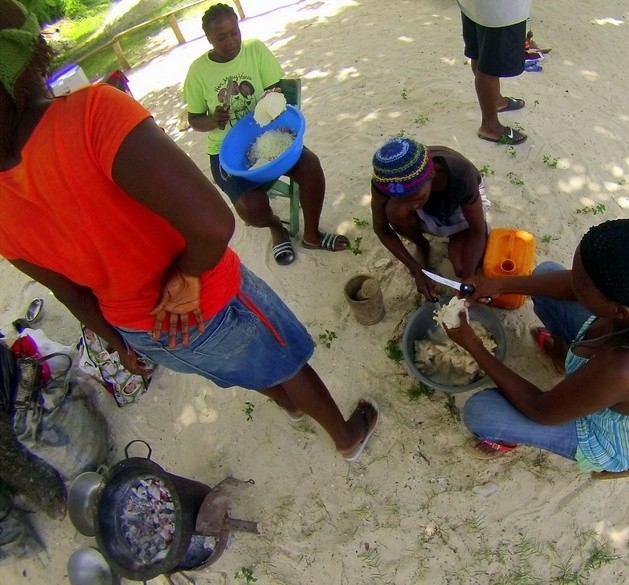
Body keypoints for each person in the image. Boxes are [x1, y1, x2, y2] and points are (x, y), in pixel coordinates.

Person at [0, 0, 377, 462]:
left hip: (139, 329)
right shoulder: (89, 113)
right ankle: (346, 437)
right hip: (206, 300)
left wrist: (119, 343)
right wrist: (185, 278)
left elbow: (70, 292)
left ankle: (288, 406)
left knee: (239, 365)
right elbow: (213, 224)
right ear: (27, 54)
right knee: (286, 357)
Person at [444, 217, 629, 472]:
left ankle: (506, 439)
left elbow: (540, 409)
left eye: (581, 288)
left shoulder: (623, 370)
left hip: (610, 437)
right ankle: (562, 356)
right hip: (618, 371)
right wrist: (501, 284)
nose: (573, 285)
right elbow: (573, 283)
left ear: (618, 311)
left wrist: (472, 344)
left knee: (481, 412)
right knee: (546, 273)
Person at [183, 3, 349, 266]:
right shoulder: (197, 72)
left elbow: (275, 91)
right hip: (226, 150)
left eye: (234, 32)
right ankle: (276, 228)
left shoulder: (255, 50)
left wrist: (272, 99)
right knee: (251, 209)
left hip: (268, 135)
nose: (230, 41)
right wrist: (212, 119)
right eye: (221, 38)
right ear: (208, 39)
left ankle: (312, 235)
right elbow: (194, 120)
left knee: (310, 166)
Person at [370, 137, 489, 301]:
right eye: (402, 199)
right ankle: (422, 245)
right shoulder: (386, 182)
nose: (412, 207)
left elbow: (478, 229)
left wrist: (467, 281)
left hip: (459, 207)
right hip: (430, 206)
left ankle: (458, 234)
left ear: (431, 175)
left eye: (416, 198)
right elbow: (381, 228)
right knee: (395, 210)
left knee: (462, 267)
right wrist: (416, 269)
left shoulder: (460, 173)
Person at [457, 0, 532, 145]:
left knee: (480, 49)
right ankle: (490, 125)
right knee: (491, 62)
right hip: (500, 8)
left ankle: (495, 101)